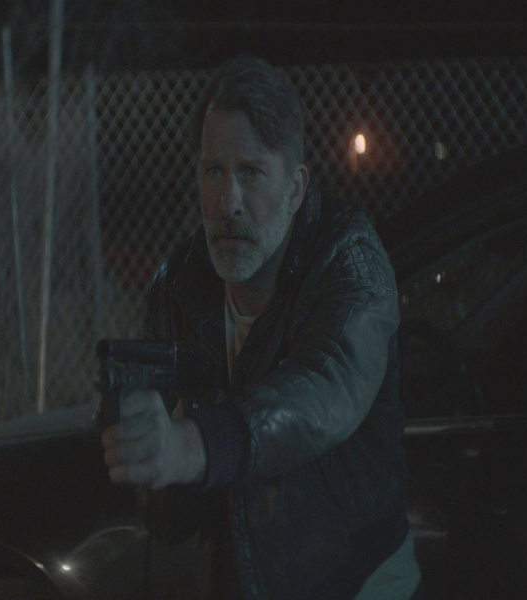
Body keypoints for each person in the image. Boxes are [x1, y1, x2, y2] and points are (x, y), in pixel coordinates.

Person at [100, 56, 420, 600]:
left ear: (296, 189)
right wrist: (146, 453)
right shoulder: (180, 285)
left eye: (251, 173)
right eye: (214, 172)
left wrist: (192, 443)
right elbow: (170, 521)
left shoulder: (350, 264)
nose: (229, 202)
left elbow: (321, 391)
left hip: (357, 581)